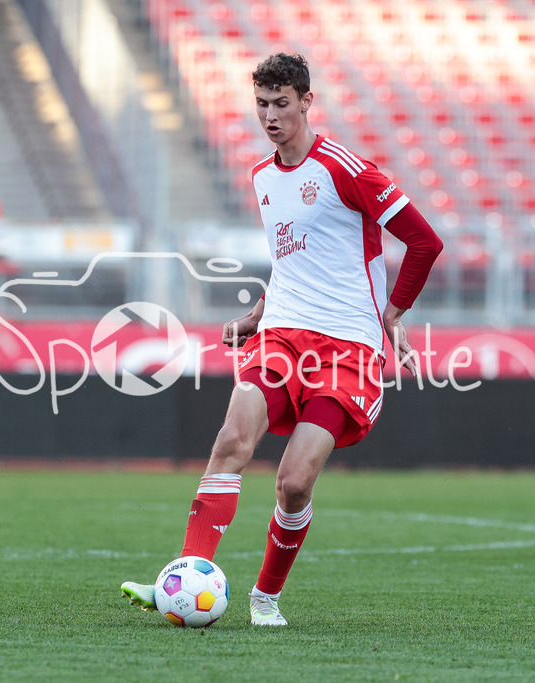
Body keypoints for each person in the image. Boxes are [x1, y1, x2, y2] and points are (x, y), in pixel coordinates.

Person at [121, 52, 443, 626]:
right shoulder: (262, 177)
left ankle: (265, 596)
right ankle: (185, 580)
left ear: (306, 102)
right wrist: (256, 314)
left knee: (294, 482)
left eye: (281, 104)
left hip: (348, 346)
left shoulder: (348, 170)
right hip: (283, 335)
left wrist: (391, 316)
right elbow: (293, 263)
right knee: (230, 442)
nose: (270, 116)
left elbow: (424, 243)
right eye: (261, 104)